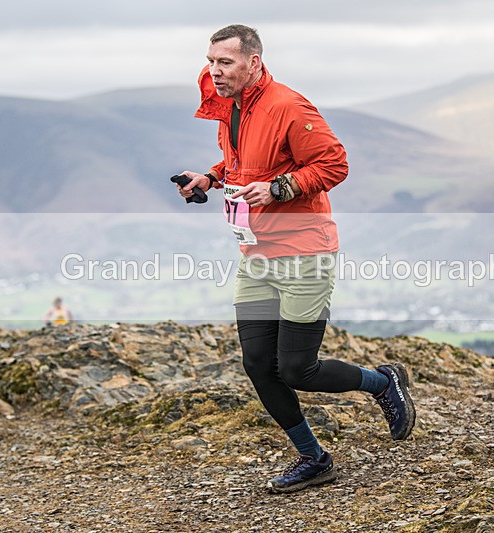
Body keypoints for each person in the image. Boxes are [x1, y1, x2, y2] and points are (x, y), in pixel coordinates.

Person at [177, 24, 416, 493]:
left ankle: (382, 383)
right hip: (257, 254)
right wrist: (208, 177)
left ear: (254, 62)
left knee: (296, 369)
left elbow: (334, 165)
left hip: (304, 250)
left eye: (224, 62)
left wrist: (277, 189)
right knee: (257, 362)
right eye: (210, 61)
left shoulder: (289, 107)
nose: (214, 70)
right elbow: (243, 163)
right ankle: (314, 457)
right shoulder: (232, 105)